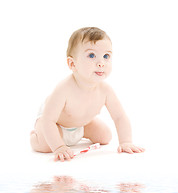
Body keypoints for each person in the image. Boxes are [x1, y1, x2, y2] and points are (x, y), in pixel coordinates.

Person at [30, 27, 145, 161]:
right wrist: (59, 147)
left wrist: (126, 141)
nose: (101, 63)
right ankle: (35, 137)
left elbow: (119, 117)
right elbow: (48, 120)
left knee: (105, 136)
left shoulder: (105, 90)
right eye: (91, 55)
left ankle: (82, 131)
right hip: (54, 125)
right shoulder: (63, 89)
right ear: (72, 63)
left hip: (81, 125)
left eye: (106, 56)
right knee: (46, 145)